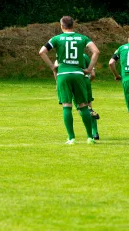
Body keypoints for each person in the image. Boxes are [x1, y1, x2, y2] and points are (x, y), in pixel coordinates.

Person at [39, 16, 100, 145]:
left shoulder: (56, 39)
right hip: (78, 74)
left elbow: (42, 52)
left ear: (61, 26)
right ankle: (90, 137)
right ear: (73, 25)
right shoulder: (82, 38)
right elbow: (96, 51)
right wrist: (89, 69)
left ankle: (71, 138)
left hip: (63, 74)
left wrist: (53, 67)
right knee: (84, 106)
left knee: (67, 106)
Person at [54, 54, 101, 140]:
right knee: (87, 107)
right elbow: (93, 74)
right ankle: (94, 132)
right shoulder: (84, 56)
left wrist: (57, 83)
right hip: (84, 80)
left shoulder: (62, 55)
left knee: (74, 107)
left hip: (66, 78)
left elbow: (55, 68)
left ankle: (71, 137)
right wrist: (86, 82)